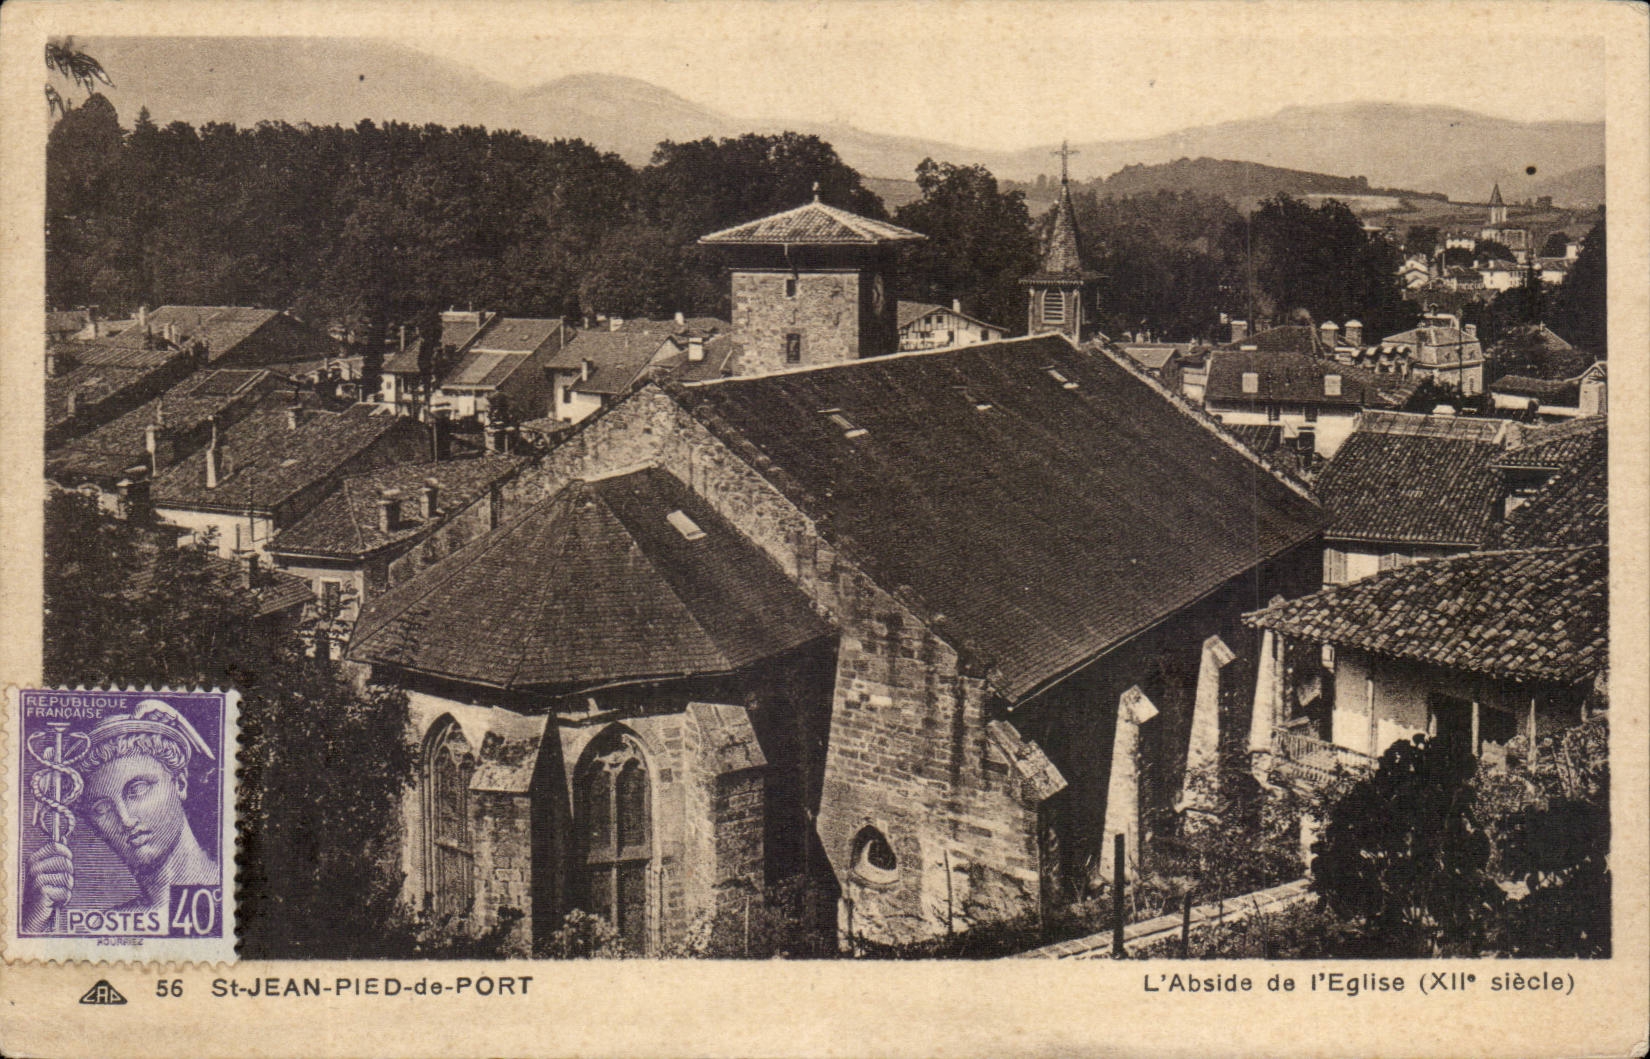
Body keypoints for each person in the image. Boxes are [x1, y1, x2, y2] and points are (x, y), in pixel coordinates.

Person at [22, 700, 217, 933]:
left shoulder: (233, 893)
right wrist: (32, 923)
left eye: (137, 789)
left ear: (180, 783)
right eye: (102, 809)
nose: (124, 820)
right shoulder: (101, 928)